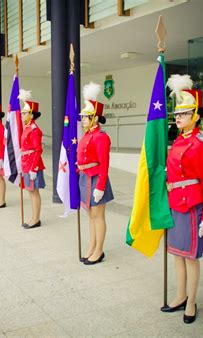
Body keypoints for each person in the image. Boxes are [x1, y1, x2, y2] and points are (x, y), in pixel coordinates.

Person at [161, 74, 203, 324]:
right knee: (177, 253)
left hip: (192, 206)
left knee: (191, 256)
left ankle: (191, 300)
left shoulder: (201, 144)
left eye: (183, 113)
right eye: (177, 114)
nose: (178, 117)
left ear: (196, 115)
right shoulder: (178, 140)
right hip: (175, 204)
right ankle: (180, 294)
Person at [77, 82, 114, 265]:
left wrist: (100, 186)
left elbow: (104, 164)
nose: (83, 119)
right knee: (90, 215)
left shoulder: (101, 137)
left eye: (86, 117)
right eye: (83, 116)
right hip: (86, 178)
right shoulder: (87, 135)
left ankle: (99, 250)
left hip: (97, 179)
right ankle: (91, 246)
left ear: (95, 118)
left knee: (98, 216)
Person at [18, 89, 45, 229]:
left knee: (34, 192)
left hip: (32, 165)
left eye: (24, 113)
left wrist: (34, 167)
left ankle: (36, 219)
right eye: (22, 112)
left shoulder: (34, 130)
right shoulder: (27, 127)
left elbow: (37, 149)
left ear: (31, 114)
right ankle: (33, 217)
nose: (22, 114)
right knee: (30, 191)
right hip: (26, 164)